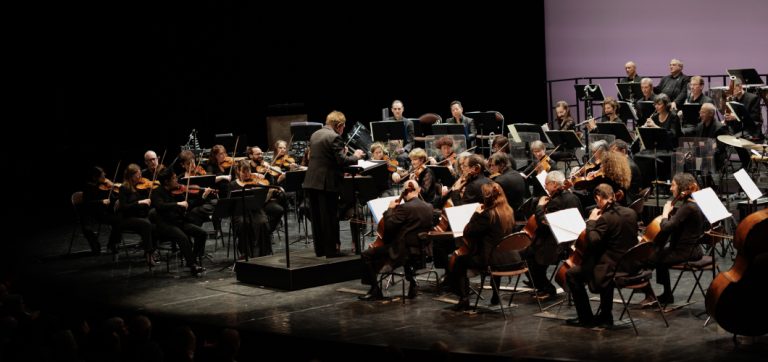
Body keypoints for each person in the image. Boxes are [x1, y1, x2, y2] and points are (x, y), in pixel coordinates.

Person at [565, 183, 637, 327]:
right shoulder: (631, 213)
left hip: (611, 269)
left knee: (571, 274)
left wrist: (591, 222)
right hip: (630, 265)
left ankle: (586, 318)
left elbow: (593, 242)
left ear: (598, 198)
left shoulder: (605, 218)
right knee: (601, 260)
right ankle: (605, 316)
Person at [303, 110, 365, 258]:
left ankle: (320, 250)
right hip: (326, 183)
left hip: (311, 181)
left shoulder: (315, 134)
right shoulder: (334, 137)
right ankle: (331, 251)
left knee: (317, 218)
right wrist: (355, 156)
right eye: (343, 127)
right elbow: (341, 161)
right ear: (339, 125)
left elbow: (325, 157)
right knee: (329, 217)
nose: (343, 130)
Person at [359, 180, 433, 301]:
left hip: (402, 252)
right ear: (418, 190)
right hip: (421, 250)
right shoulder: (429, 207)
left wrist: (389, 209)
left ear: (406, 191)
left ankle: (375, 290)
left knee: (366, 255)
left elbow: (389, 226)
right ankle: (412, 282)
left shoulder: (404, 208)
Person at [640, 173, 707, 306]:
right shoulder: (694, 204)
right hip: (694, 249)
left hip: (684, 252)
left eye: (673, 185)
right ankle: (666, 294)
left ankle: (652, 295)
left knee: (646, 259)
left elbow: (666, 227)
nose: (670, 188)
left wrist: (665, 213)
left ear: (682, 188)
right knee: (659, 254)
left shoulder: (688, 207)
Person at [451, 182, 520, 310]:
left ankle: (464, 299)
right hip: (512, 259)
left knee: (459, 261)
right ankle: (495, 295)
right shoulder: (508, 211)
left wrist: (476, 214)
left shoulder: (487, 215)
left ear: (486, 198)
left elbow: (468, 231)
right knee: (495, 252)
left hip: (492, 262)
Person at [524, 171, 583, 300]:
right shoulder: (574, 197)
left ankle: (546, 288)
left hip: (556, 244)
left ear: (555, 184)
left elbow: (544, 224)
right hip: (572, 240)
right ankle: (541, 285)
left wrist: (539, 207)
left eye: (547, 184)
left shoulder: (556, 202)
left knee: (527, 255)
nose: (545, 187)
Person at [151, 168, 207, 276]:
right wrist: (177, 204)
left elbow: (188, 205)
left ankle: (192, 259)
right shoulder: (157, 192)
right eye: (174, 178)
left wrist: (202, 197)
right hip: (165, 224)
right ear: (167, 181)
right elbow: (159, 206)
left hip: (179, 222)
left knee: (202, 233)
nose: (177, 180)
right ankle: (192, 265)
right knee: (183, 237)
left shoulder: (177, 191)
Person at [228, 160, 273, 257]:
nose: (247, 174)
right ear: (238, 171)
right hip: (239, 212)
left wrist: (268, 191)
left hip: (255, 210)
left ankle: (263, 252)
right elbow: (231, 203)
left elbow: (263, 199)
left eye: (248, 171)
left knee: (263, 222)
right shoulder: (233, 185)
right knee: (244, 223)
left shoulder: (255, 181)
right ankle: (245, 253)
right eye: (244, 172)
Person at [117, 164, 156, 266]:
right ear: (131, 176)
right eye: (137, 175)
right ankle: (149, 254)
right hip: (126, 218)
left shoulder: (139, 187)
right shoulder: (123, 188)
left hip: (139, 217)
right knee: (146, 224)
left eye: (140, 174)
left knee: (154, 222)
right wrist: (139, 203)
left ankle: (151, 250)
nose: (140, 177)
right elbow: (124, 207)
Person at [81, 166, 121, 255]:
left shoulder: (105, 185)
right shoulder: (89, 187)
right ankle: (112, 244)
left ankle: (113, 243)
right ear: (95, 177)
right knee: (118, 220)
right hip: (95, 214)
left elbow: (113, 197)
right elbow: (87, 204)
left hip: (106, 212)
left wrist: (118, 198)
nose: (105, 177)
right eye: (102, 176)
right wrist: (101, 201)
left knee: (120, 218)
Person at [694, 103, 729, 170]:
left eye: (703, 113)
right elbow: (696, 143)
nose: (700, 115)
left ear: (711, 114)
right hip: (702, 154)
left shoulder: (720, 128)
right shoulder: (699, 126)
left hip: (715, 157)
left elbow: (719, 148)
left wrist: (706, 152)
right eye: (700, 112)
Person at [387, 100, 415, 169]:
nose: (397, 111)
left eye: (399, 109)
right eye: (395, 109)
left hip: (403, 150)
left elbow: (411, 142)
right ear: (392, 110)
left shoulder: (409, 123)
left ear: (403, 109)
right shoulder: (387, 121)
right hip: (390, 149)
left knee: (401, 157)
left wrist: (403, 149)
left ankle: (401, 174)